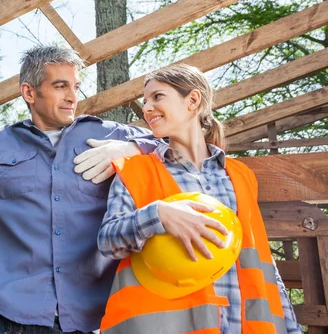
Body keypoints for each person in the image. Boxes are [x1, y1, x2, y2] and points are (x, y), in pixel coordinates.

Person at [0, 45, 156, 333]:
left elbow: (175, 141)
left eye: (75, 87)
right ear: (29, 92)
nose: (73, 97)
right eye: (61, 86)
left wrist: (132, 147)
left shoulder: (109, 136)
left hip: (81, 320)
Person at [97, 64, 301, 334]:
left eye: (157, 97)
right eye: (145, 101)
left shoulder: (240, 176)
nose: (146, 108)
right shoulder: (135, 171)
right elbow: (108, 241)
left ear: (193, 100)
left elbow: (264, 263)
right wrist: (158, 215)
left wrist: (291, 327)